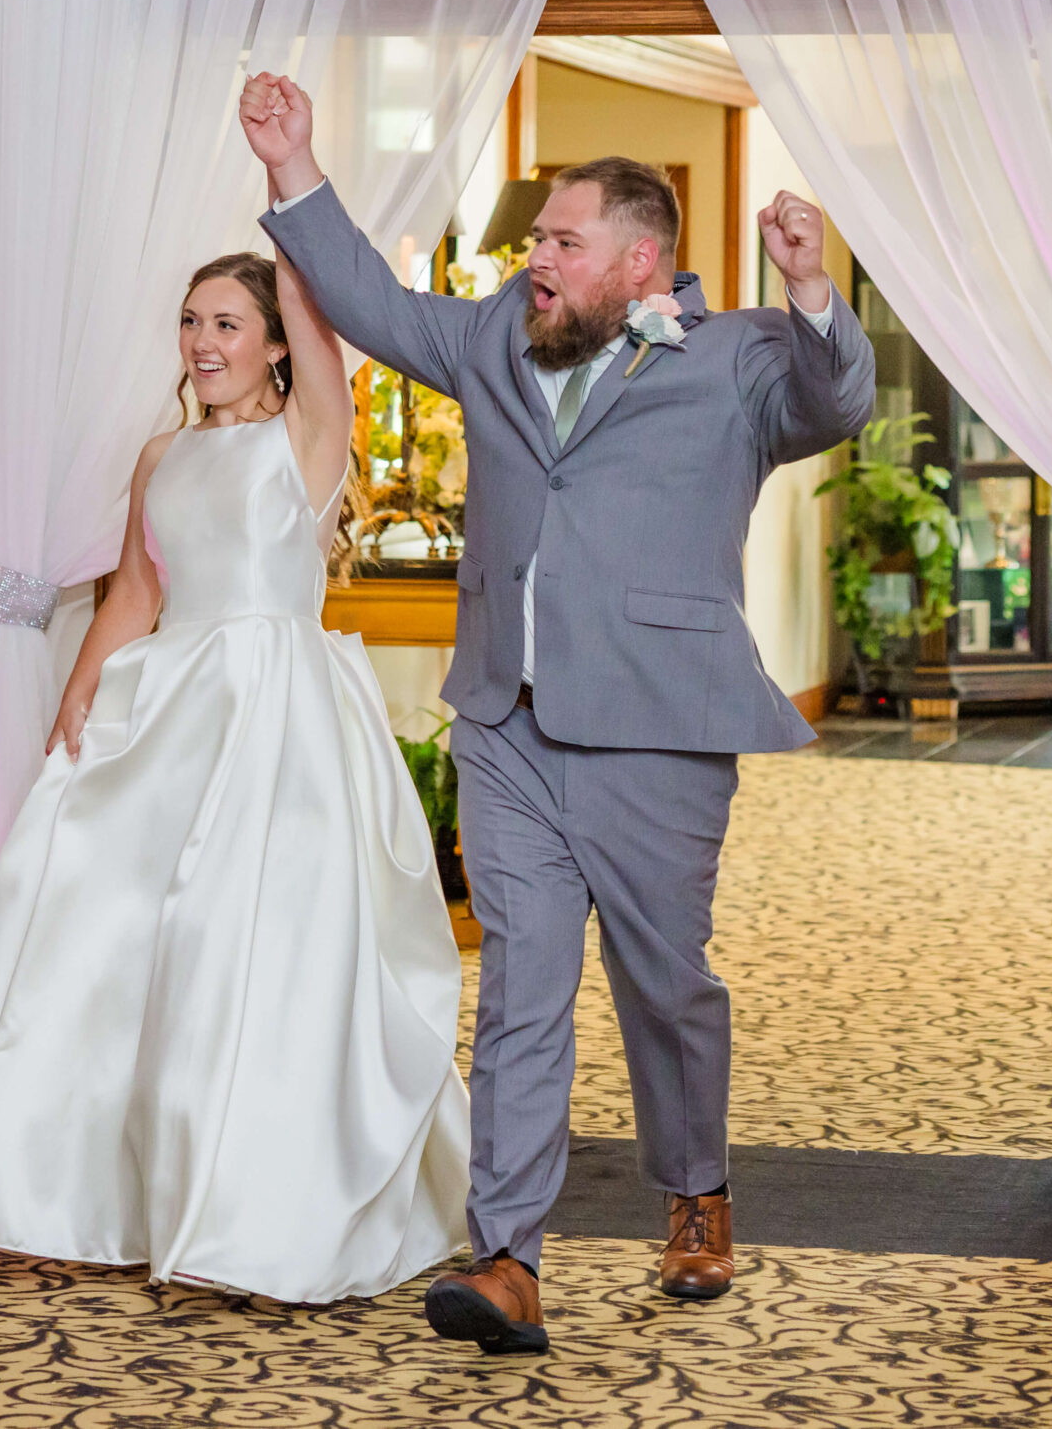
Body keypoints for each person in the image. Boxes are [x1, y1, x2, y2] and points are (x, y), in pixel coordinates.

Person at [241, 72, 874, 1355]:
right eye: (537, 242)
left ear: (640, 260)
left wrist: (814, 290)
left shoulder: (745, 357)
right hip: (506, 723)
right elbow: (368, 300)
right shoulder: (491, 339)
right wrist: (293, 164)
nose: (536, 259)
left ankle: (695, 1187)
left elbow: (835, 402)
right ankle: (508, 1255)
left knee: (663, 985)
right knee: (522, 984)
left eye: (561, 243)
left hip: (660, 726)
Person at [0, 251, 471, 1305]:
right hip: (170, 711)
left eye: (230, 323)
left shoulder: (305, 442)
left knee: (252, 957)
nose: (204, 343)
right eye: (192, 322)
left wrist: (288, 192)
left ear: (277, 343)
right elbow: (135, 593)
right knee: (120, 949)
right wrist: (78, 696)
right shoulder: (159, 457)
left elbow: (327, 357)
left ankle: (252, 1213)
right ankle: (115, 1196)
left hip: (276, 715)